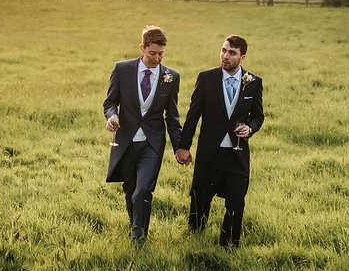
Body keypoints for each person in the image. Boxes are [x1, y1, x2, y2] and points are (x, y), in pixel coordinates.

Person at [175, 35, 264, 248]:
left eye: (231, 53)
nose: (225, 56)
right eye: (223, 50)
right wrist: (183, 147)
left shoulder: (253, 82)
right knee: (200, 198)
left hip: (237, 153)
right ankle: (195, 240)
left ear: (242, 57)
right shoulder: (206, 78)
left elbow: (258, 115)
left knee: (236, 200)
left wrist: (250, 128)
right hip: (209, 152)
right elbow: (193, 115)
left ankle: (229, 245)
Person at [103, 25, 183, 244]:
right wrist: (112, 117)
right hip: (126, 141)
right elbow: (110, 102)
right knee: (130, 191)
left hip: (152, 144)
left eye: (161, 54)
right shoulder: (122, 69)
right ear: (142, 48)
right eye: (152, 53)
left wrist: (180, 148)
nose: (157, 58)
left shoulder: (171, 77)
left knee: (143, 191)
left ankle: (139, 239)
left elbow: (173, 117)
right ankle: (135, 226)